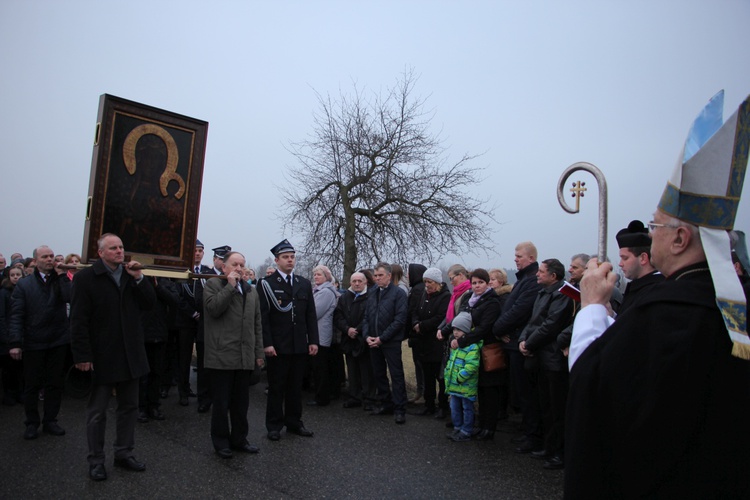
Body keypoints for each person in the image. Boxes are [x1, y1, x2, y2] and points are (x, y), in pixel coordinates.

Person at [565, 93, 750, 498]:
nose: (653, 234)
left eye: (657, 226)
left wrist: (593, 307)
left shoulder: (668, 312)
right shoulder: (727, 306)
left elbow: (593, 390)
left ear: (681, 238)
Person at [70, 233, 156, 481]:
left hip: (131, 354)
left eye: (121, 247)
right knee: (97, 412)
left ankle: (123, 453)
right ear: (101, 252)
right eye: (113, 248)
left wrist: (140, 278)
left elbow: (149, 304)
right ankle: (96, 460)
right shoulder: (86, 278)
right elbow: (78, 320)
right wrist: (82, 355)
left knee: (129, 407)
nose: (119, 251)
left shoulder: (131, 276)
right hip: (102, 355)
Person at [203, 251, 264, 458]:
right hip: (222, 356)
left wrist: (258, 353)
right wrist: (229, 287)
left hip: (244, 356)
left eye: (242, 265)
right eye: (235, 264)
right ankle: (220, 442)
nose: (239, 268)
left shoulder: (250, 291)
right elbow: (213, 309)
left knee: (241, 404)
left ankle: (239, 439)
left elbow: (257, 324)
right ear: (224, 267)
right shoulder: (213, 285)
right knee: (221, 403)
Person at [8, 245, 71, 440]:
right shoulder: (24, 285)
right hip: (34, 341)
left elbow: (70, 297)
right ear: (35, 260)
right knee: (32, 385)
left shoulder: (60, 280)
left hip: (57, 340)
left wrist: (62, 276)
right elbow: (16, 315)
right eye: (45, 256)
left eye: (52, 256)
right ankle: (32, 423)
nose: (50, 259)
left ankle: (50, 420)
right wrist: (15, 342)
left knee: (54, 384)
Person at [258, 240, 319, 441]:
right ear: (277, 260)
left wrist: (313, 340)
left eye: (292, 257)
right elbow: (263, 317)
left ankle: (294, 422)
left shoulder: (303, 283)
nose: (290, 260)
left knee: (295, 387)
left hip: (299, 344)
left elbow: (310, 314)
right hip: (278, 345)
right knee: (277, 387)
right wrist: (267, 343)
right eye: (285, 257)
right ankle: (274, 425)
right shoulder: (267, 284)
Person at [518, 259, 573, 470]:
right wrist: (524, 340)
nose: (537, 275)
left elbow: (551, 325)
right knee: (545, 405)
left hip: (552, 358)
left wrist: (529, 342)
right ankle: (548, 447)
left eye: (541, 272)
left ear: (554, 276)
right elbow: (532, 322)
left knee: (557, 407)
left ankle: (559, 451)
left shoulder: (564, 294)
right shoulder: (542, 293)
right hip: (539, 356)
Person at [492, 242, 543, 451]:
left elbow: (519, 311)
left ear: (531, 258)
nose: (515, 259)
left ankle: (534, 435)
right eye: (515, 255)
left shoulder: (532, 281)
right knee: (520, 391)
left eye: (519, 256)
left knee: (527, 392)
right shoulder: (524, 280)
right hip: (512, 341)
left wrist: (497, 328)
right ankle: (528, 430)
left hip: (520, 342)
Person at [449, 268, 503, 440]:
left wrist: (463, 340)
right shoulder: (472, 301)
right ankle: (480, 425)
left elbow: (484, 328)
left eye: (481, 282)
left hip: (487, 348)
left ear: (487, 283)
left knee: (489, 391)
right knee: (480, 389)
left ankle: (489, 427)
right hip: (474, 349)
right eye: (474, 283)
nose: (477, 286)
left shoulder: (492, 302)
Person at [362, 262, 409, 424]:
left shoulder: (398, 294)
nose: (377, 278)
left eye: (380, 275)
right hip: (373, 340)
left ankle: (400, 408)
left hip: (390, 341)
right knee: (378, 374)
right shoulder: (372, 292)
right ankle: (385, 403)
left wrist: (382, 338)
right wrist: (367, 335)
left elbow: (400, 319)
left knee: (396, 375)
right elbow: (367, 316)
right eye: (375, 276)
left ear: (389, 276)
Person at [173, 239, 213, 409]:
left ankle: (203, 394)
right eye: (195, 250)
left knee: (204, 358)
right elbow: (177, 296)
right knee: (184, 358)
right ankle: (183, 391)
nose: (197, 253)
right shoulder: (182, 271)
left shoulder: (207, 272)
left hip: (203, 321)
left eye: (200, 251)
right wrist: (192, 313)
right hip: (185, 320)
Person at [409, 267, 450, 416]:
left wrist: (422, 326)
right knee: (427, 376)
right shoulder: (424, 294)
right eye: (425, 282)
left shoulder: (445, 296)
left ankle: (443, 406)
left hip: (436, 343)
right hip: (423, 342)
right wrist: (415, 323)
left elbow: (440, 317)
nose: (427, 285)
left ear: (438, 282)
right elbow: (415, 311)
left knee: (440, 378)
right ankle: (429, 404)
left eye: (430, 282)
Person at [138, 277, 179, 423]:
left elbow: (174, 300)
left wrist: (158, 287)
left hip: (160, 331)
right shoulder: (137, 280)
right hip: (141, 332)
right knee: (142, 375)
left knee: (156, 372)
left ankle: (154, 406)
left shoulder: (166, 282)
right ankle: (140, 407)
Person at [334, 272, 373, 409]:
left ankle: (368, 398)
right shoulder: (345, 297)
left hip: (363, 339)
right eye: (354, 281)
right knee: (352, 370)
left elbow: (370, 316)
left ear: (365, 282)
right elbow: (338, 316)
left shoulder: (371, 297)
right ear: (350, 283)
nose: (357, 284)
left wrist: (358, 330)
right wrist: (347, 329)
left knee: (366, 371)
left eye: (359, 281)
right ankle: (354, 396)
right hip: (348, 339)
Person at [444, 311, 482, 442]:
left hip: (465, 385)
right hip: (454, 385)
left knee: (467, 408)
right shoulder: (456, 345)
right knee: (454, 406)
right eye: (454, 329)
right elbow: (451, 361)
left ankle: (466, 430)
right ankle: (457, 426)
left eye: (459, 330)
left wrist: (461, 376)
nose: (455, 332)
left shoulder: (472, 347)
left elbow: (472, 365)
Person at [308, 265, 340, 407]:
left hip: (320, 334)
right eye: (314, 274)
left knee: (320, 367)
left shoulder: (326, 292)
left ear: (327, 277)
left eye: (319, 275)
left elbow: (315, 313)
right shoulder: (317, 291)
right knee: (317, 366)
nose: (316, 277)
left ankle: (322, 397)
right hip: (316, 333)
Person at [616, 220, 665, 313]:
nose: (620, 264)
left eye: (625, 258)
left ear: (643, 258)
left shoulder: (656, 292)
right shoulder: (639, 287)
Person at [0, 267, 24, 406]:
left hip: (22, 336)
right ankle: (9, 394)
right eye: (13, 275)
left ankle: (20, 392)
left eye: (18, 275)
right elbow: (2, 317)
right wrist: (6, 338)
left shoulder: (25, 290)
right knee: (8, 369)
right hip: (8, 337)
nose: (16, 277)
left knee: (21, 368)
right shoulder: (4, 293)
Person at [404, 263, 426, 404]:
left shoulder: (417, 290)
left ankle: (421, 393)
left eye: (409, 273)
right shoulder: (417, 289)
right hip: (417, 334)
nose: (407, 276)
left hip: (418, 335)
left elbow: (412, 311)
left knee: (420, 365)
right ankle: (421, 392)